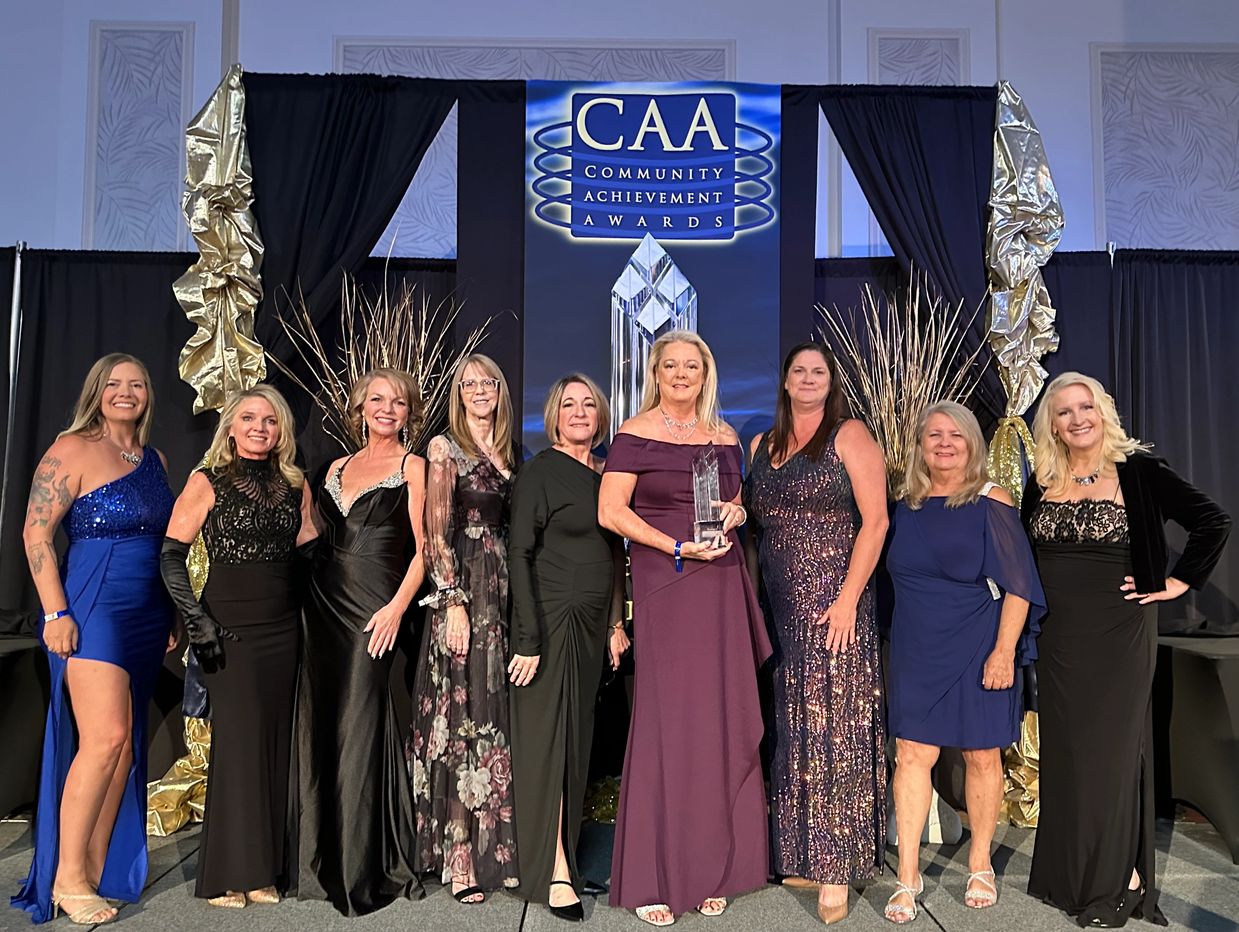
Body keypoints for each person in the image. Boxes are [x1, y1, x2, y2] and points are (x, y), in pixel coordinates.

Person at [1023, 372, 1230, 928]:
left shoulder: (1138, 470)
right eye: (1064, 411)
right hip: (1058, 638)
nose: (1077, 419)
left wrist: (1177, 582)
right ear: (1052, 425)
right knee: (1068, 754)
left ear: (1103, 412)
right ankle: (1069, 874)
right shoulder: (1042, 479)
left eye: (1086, 406)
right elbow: (1021, 552)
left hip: (1120, 633)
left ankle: (1122, 880)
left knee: (1110, 756)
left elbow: (1213, 521)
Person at [598, 330, 772, 927]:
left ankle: (713, 868)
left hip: (718, 582)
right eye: (670, 365)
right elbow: (610, 511)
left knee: (714, 717)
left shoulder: (723, 435)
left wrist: (738, 511)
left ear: (705, 373)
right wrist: (673, 545)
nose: (680, 374)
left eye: (691, 366)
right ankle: (655, 873)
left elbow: (734, 500)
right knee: (666, 719)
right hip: (666, 582)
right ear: (655, 373)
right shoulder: (634, 432)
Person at [12, 353, 176, 925]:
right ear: (96, 392)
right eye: (114, 384)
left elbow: (163, 543)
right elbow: (35, 534)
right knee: (104, 739)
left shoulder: (154, 459)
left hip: (148, 609)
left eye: (137, 384)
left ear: (148, 394)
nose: (125, 392)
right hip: (93, 602)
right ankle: (67, 877)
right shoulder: (72, 449)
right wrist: (55, 611)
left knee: (124, 747)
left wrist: (172, 612)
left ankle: (96, 863)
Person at [743, 343, 889, 925]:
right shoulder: (762, 445)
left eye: (818, 372)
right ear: (784, 381)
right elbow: (752, 524)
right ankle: (801, 851)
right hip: (779, 609)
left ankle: (836, 865)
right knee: (792, 727)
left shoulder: (849, 435)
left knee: (835, 725)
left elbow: (876, 521)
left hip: (835, 605)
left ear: (831, 382)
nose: (808, 379)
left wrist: (849, 599)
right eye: (799, 371)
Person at [884, 401, 1044, 924]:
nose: (945, 443)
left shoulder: (991, 500)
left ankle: (980, 864)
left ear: (973, 444)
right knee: (912, 754)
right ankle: (908, 877)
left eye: (956, 435)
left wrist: (1003, 652)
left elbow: (1018, 586)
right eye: (934, 435)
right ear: (919, 445)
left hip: (978, 644)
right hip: (915, 649)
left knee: (980, 755)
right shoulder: (902, 503)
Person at [160, 386, 316, 907]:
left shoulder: (295, 484)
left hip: (283, 627)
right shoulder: (207, 481)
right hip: (229, 630)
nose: (259, 428)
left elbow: (311, 553)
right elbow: (171, 555)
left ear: (281, 431)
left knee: (273, 743)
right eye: (248, 418)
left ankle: (263, 868)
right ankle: (227, 873)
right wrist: (197, 622)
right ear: (230, 427)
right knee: (239, 744)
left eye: (269, 421)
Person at [291, 367, 426, 916]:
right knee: (324, 720)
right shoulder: (333, 468)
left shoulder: (414, 467)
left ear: (409, 413)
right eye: (377, 399)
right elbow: (313, 535)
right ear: (360, 408)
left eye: (398, 402)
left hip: (375, 609)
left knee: (359, 721)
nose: (387, 409)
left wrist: (396, 608)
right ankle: (320, 860)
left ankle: (361, 865)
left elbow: (426, 550)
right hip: (322, 607)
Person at [508, 374, 630, 922]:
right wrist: (528, 639)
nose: (579, 413)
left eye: (588, 405)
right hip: (551, 622)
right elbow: (519, 553)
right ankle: (552, 868)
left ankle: (567, 853)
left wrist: (614, 624)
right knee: (548, 744)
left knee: (575, 740)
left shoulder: (607, 474)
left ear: (600, 415)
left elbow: (615, 555)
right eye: (568, 405)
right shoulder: (540, 472)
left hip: (589, 627)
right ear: (554, 416)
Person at [409, 353, 519, 903]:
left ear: (500, 390)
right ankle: (458, 860)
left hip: (502, 593)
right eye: (468, 383)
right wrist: (452, 600)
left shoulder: (510, 451)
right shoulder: (444, 448)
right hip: (464, 591)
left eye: (487, 382)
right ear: (458, 394)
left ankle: (492, 850)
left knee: (491, 712)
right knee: (462, 713)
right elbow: (434, 530)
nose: (479, 391)